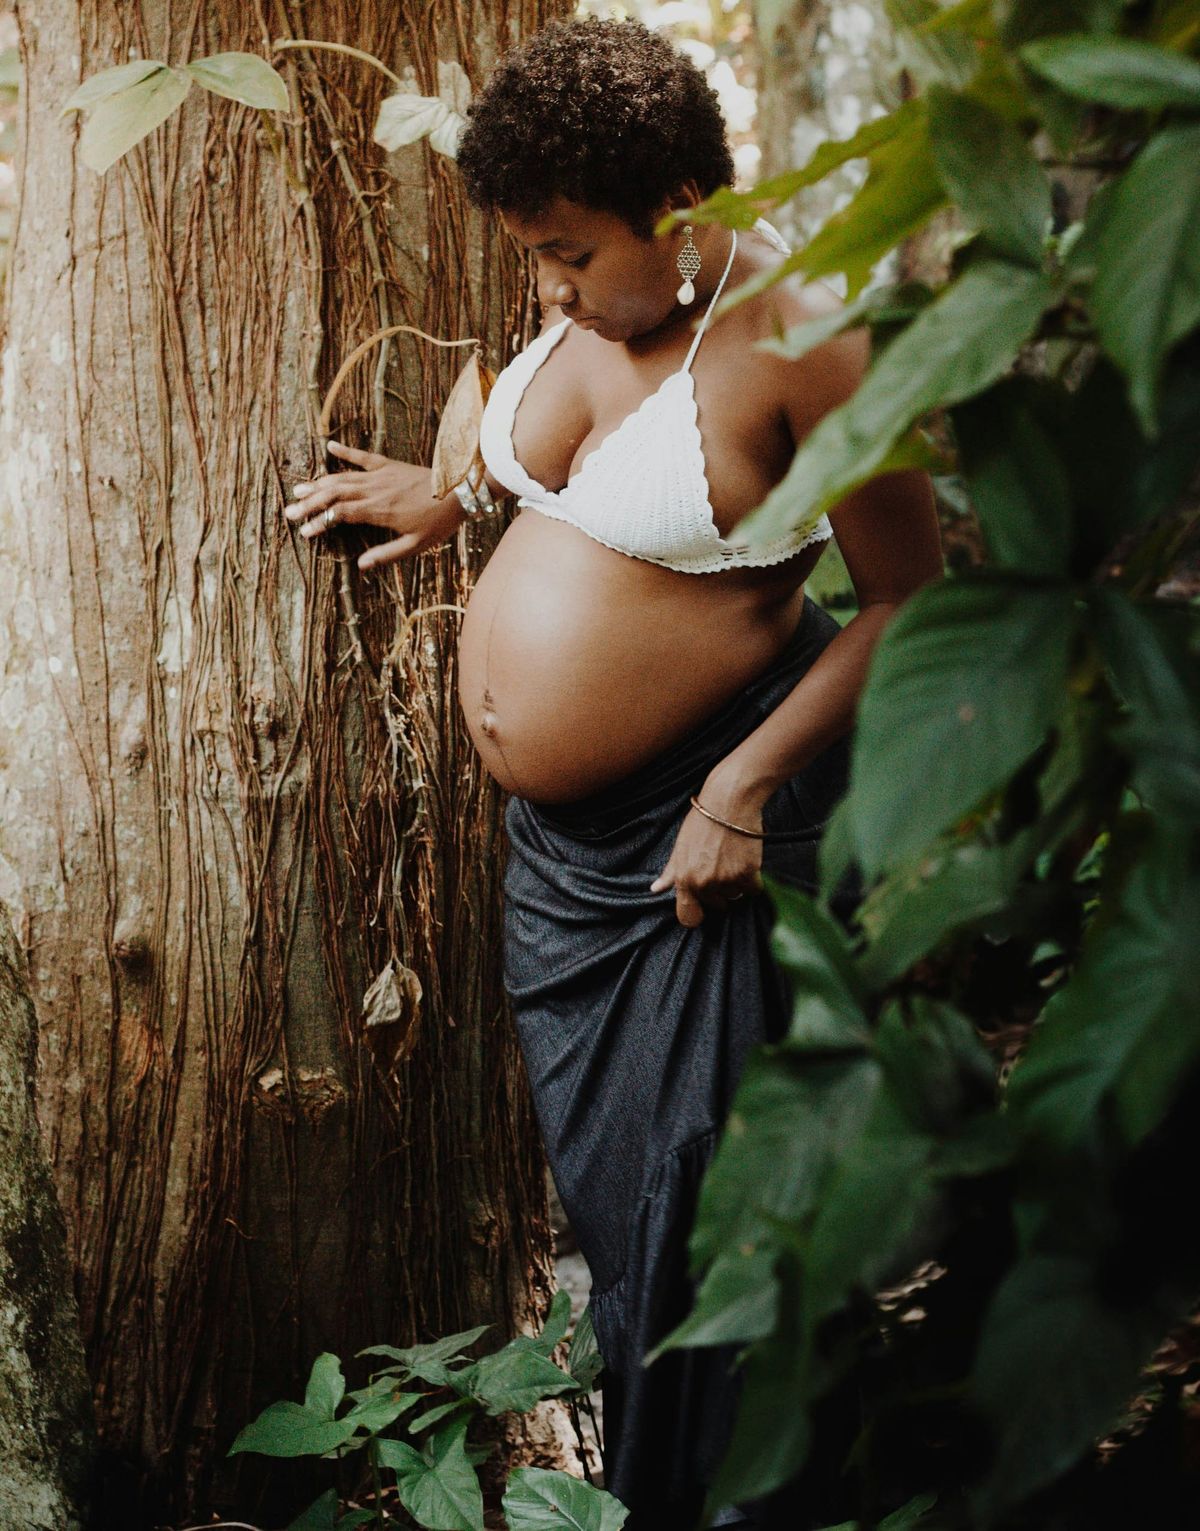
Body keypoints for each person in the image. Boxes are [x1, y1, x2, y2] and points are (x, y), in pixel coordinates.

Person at [286, 17, 942, 1528]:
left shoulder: (806, 337)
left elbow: (918, 599)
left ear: (685, 213)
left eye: (569, 256)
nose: (549, 291)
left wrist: (745, 786)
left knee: (700, 1243)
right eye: (534, 259)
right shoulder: (587, 304)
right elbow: (521, 424)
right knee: (624, 1226)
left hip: (697, 849)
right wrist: (449, 495)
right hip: (564, 876)